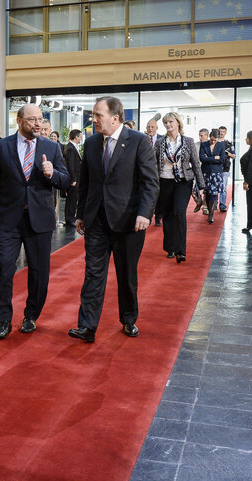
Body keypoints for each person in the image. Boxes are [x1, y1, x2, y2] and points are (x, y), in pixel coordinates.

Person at [68, 96, 159, 343]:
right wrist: (80, 214)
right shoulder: (92, 142)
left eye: (98, 115)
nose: (93, 119)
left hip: (128, 222)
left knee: (126, 274)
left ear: (115, 118)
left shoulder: (138, 141)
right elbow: (86, 181)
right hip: (96, 221)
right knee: (93, 274)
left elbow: (150, 181)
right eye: (93, 115)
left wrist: (144, 213)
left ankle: (128, 319)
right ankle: (87, 326)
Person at [0, 104, 70, 339]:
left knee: (39, 272)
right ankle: (4, 320)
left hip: (39, 220)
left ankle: (31, 315)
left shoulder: (52, 147)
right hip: (8, 219)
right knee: (4, 269)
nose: (38, 124)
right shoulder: (1, 147)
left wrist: (53, 174)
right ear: (19, 121)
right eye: (32, 119)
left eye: (40, 119)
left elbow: (66, 180)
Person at [154, 112, 204, 264]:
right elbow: (154, 164)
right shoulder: (160, 142)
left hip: (183, 181)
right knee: (167, 215)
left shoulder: (188, 141)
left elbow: (195, 164)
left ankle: (181, 250)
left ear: (177, 123)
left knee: (179, 212)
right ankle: (170, 247)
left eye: (170, 122)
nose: (168, 125)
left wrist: (201, 185)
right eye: (165, 123)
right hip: (165, 181)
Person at [199, 128, 226, 224]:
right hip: (206, 172)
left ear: (218, 139)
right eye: (212, 139)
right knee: (207, 193)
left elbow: (222, 159)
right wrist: (215, 157)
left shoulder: (221, 145)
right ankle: (207, 209)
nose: (213, 141)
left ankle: (211, 214)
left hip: (216, 173)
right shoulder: (204, 144)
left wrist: (209, 158)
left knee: (214, 194)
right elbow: (202, 158)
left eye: (215, 140)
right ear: (209, 137)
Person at [145, 118, 163, 226]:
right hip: (146, 172)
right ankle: (148, 215)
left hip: (159, 172)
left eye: (152, 127)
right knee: (148, 194)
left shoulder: (162, 139)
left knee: (159, 196)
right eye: (148, 127)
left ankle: (158, 216)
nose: (150, 129)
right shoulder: (142, 138)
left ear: (157, 128)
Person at [63, 129, 83, 226]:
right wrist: (73, 179)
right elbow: (70, 165)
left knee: (74, 199)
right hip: (73, 179)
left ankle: (71, 217)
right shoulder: (70, 148)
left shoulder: (73, 147)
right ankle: (69, 218)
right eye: (80, 137)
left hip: (76, 178)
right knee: (71, 199)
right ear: (76, 137)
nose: (81, 139)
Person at [218, 125, 235, 212]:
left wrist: (228, 153)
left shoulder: (229, 144)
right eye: (220, 131)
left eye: (223, 132)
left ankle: (222, 204)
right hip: (215, 168)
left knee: (223, 187)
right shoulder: (214, 143)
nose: (221, 133)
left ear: (225, 133)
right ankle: (212, 204)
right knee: (213, 187)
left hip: (225, 168)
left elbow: (234, 156)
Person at [193, 128, 209, 213]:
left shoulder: (210, 145)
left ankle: (205, 207)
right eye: (199, 135)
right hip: (196, 169)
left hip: (207, 170)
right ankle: (199, 201)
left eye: (202, 136)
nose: (200, 137)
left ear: (207, 136)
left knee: (206, 189)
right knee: (193, 189)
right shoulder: (195, 145)